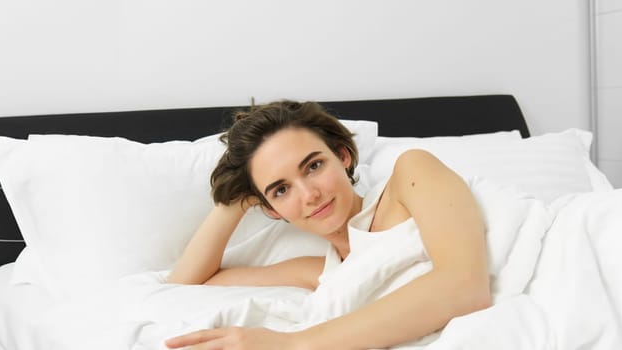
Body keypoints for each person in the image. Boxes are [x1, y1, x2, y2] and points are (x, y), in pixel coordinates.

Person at [164, 100, 492, 349]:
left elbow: (465, 286)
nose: (310, 194)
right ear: (271, 209)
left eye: (314, 166)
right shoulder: (321, 273)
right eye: (281, 189)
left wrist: (288, 344)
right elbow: (184, 287)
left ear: (343, 156)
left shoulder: (412, 173)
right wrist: (237, 198)